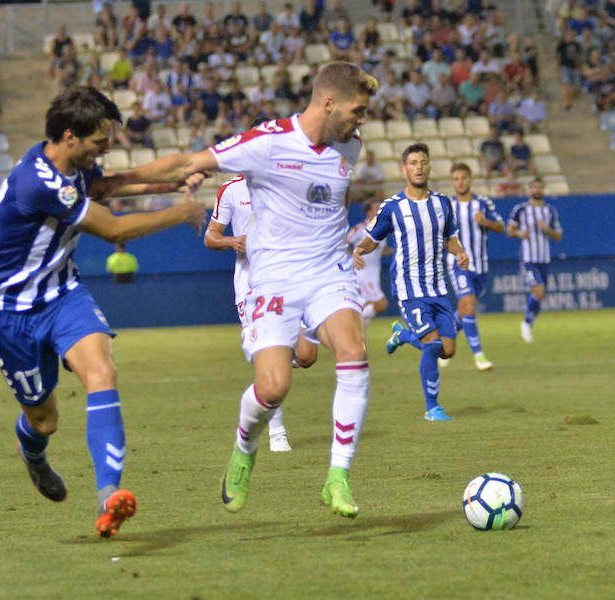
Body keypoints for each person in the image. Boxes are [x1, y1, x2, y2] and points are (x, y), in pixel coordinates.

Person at [0, 86, 206, 539]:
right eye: (99, 142)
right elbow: (114, 226)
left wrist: (174, 177)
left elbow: (109, 184)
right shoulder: (37, 182)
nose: (106, 149)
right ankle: (33, 454)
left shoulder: (72, 165)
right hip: (9, 314)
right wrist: (182, 211)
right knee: (45, 420)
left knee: (102, 372)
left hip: (64, 296)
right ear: (69, 136)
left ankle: (108, 497)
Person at [159, 62, 378, 518]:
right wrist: (176, 176)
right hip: (275, 277)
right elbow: (192, 161)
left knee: (353, 353)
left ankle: (338, 476)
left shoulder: (351, 147)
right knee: (274, 387)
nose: (363, 120)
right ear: (328, 102)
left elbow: (334, 193)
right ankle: (244, 448)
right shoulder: (268, 142)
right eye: (358, 110)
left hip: (328, 271)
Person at [204, 165, 317, 453]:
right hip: (252, 287)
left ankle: (271, 364)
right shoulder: (231, 190)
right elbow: (211, 236)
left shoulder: (288, 185)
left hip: (289, 281)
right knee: (272, 361)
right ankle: (276, 432)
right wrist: (232, 241)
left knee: (306, 355)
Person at [355, 143, 469, 422]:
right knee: (431, 344)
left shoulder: (442, 204)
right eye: (413, 163)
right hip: (409, 288)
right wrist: (359, 250)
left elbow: (449, 238)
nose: (419, 167)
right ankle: (433, 408)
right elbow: (373, 238)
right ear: (404, 169)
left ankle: (402, 334)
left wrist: (460, 252)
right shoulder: (393, 207)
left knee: (448, 349)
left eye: (423, 162)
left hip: (438, 287)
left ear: (429, 167)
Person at [440, 162, 504, 372]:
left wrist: (485, 221)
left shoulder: (483, 203)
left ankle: (444, 344)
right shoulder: (447, 206)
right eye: (456, 179)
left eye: (463, 178)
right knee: (468, 305)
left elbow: (500, 227)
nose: (460, 182)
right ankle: (479, 356)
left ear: (470, 180)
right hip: (457, 263)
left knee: (463, 311)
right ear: (453, 182)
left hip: (481, 266)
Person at [506, 178, 563, 343]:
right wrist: (519, 233)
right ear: (529, 190)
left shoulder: (550, 211)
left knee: (541, 293)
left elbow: (558, 235)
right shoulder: (521, 209)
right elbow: (509, 231)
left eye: (540, 187)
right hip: (528, 258)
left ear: (544, 189)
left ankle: (528, 323)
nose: (537, 190)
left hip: (543, 258)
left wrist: (547, 229)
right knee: (538, 290)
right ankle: (525, 324)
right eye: (534, 187)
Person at [345, 198, 391, 332]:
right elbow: (344, 242)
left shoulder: (381, 229)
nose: (379, 211)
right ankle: (352, 326)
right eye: (376, 209)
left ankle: (358, 334)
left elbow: (380, 251)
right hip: (363, 275)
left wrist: (395, 251)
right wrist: (353, 257)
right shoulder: (359, 229)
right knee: (381, 304)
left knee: (367, 306)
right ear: (368, 212)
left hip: (373, 275)